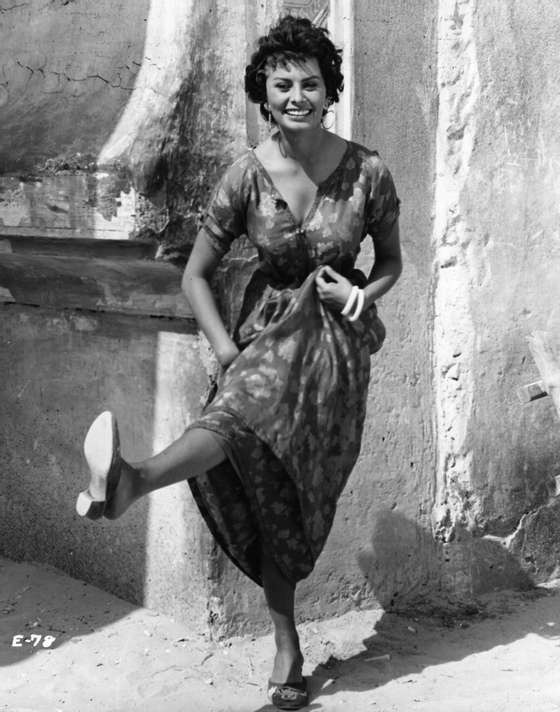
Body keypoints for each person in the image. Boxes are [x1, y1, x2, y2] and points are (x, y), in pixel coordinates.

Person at [76, 14, 402, 710]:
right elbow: (195, 274)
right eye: (281, 83)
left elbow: (394, 264)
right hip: (264, 346)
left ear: (328, 90)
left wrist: (358, 293)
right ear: (264, 92)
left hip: (334, 362)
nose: (296, 95)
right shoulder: (244, 176)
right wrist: (225, 347)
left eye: (309, 83)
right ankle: (134, 481)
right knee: (235, 425)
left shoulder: (368, 171)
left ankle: (282, 643)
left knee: (284, 498)